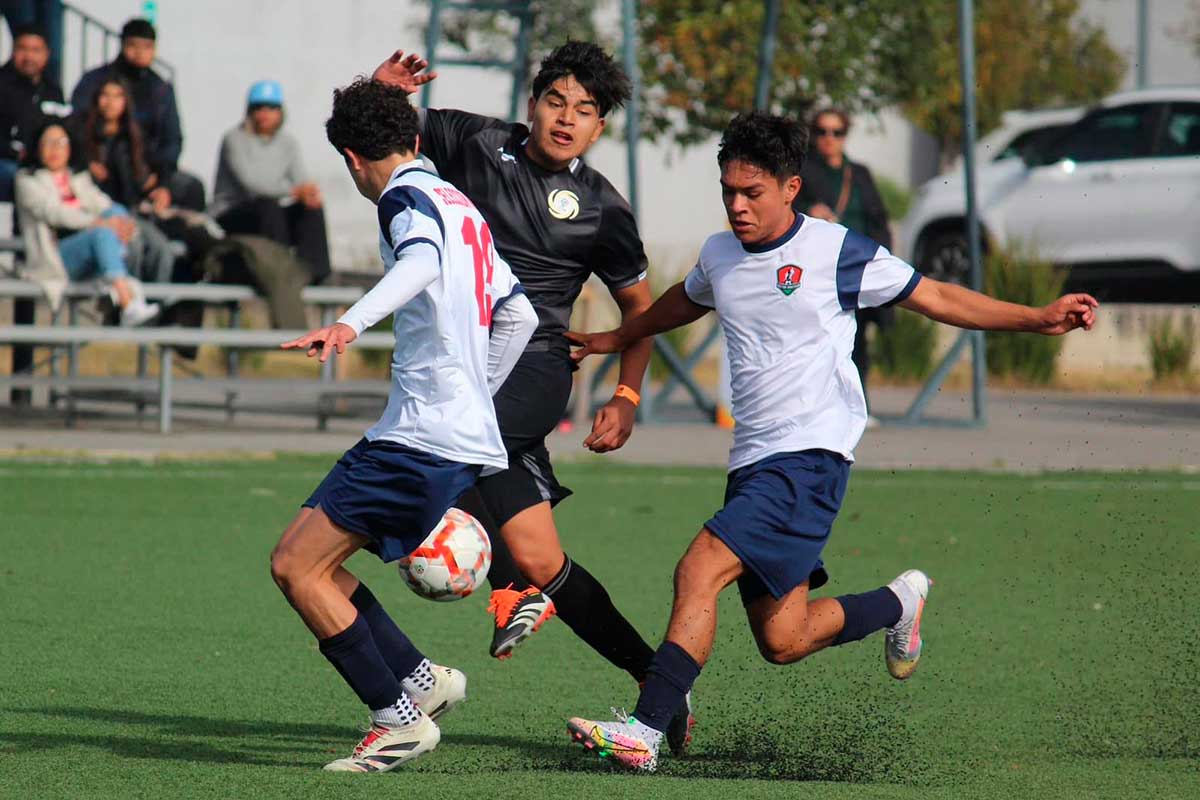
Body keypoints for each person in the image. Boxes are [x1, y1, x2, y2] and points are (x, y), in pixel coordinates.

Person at [564, 112, 1099, 772]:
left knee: (697, 567)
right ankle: (900, 602)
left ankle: (643, 732)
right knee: (782, 638)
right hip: (754, 462)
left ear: (790, 187)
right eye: (728, 190)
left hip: (810, 457)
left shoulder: (835, 251)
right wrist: (616, 339)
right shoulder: (719, 252)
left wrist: (1035, 317)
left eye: (751, 192)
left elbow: (935, 297)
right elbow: (687, 298)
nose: (737, 205)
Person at [373, 42, 696, 755]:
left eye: (585, 111)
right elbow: (383, 142)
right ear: (531, 104)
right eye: (556, 102)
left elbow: (640, 310)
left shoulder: (604, 208)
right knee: (544, 556)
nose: (566, 119)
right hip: (459, 365)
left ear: (599, 127)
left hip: (535, 366)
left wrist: (628, 396)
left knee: (424, 466)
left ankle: (509, 593)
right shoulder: (473, 140)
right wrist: (384, 90)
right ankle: (660, 686)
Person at [271, 77, 537, 772]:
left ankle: (398, 722)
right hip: (438, 432)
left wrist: (348, 322)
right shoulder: (459, 203)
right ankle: (425, 683)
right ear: (415, 141)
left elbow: (420, 262)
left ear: (354, 160)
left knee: (295, 568)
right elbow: (521, 315)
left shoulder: (402, 198)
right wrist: (476, 394)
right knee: (316, 560)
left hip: (419, 437)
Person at [795, 108, 894, 425]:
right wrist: (810, 210)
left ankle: (859, 405)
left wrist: (882, 262)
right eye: (822, 131)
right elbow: (786, 208)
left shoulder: (859, 173)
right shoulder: (803, 172)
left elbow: (878, 217)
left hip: (858, 267)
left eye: (836, 132)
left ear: (845, 135)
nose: (828, 139)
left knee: (858, 341)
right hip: (820, 271)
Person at [14, 122, 160, 324]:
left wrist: (123, 225)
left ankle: (116, 280)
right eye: (48, 142)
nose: (55, 148)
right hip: (56, 257)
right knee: (101, 233)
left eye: (61, 142)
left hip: (92, 251)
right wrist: (96, 223)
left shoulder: (78, 180)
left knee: (116, 211)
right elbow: (54, 213)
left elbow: (104, 205)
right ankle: (126, 303)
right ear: (37, 147)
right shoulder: (28, 181)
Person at [71, 18, 206, 212]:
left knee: (192, 188)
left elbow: (172, 139)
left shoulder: (160, 89)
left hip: (147, 171)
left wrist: (162, 179)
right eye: (133, 45)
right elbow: (76, 126)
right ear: (122, 45)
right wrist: (87, 161)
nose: (139, 53)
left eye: (147, 47)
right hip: (101, 165)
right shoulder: (96, 81)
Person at [211, 80, 332, 285]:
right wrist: (295, 192)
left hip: (268, 214)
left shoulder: (288, 143)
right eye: (258, 108)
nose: (264, 114)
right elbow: (253, 184)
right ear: (250, 111)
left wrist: (308, 194)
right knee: (269, 206)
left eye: (271, 108)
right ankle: (279, 270)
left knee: (311, 209)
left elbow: (301, 180)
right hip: (232, 213)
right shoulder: (234, 139)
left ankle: (316, 273)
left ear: (280, 112)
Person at [0, 23, 67, 202]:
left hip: (44, 163)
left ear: (46, 54)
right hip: (9, 163)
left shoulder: (53, 90)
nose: (29, 56)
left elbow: (60, 130)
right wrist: (15, 152)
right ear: (13, 51)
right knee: (20, 178)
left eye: (36, 50)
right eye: (23, 49)